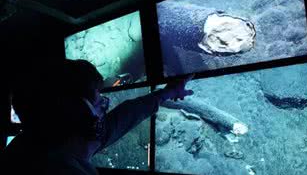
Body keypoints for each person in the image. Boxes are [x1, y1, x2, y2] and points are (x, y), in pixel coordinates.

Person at [1, 59, 194, 175]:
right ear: (78, 115)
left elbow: (119, 121)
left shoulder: (38, 142)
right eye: (98, 103)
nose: (105, 107)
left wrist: (165, 93)